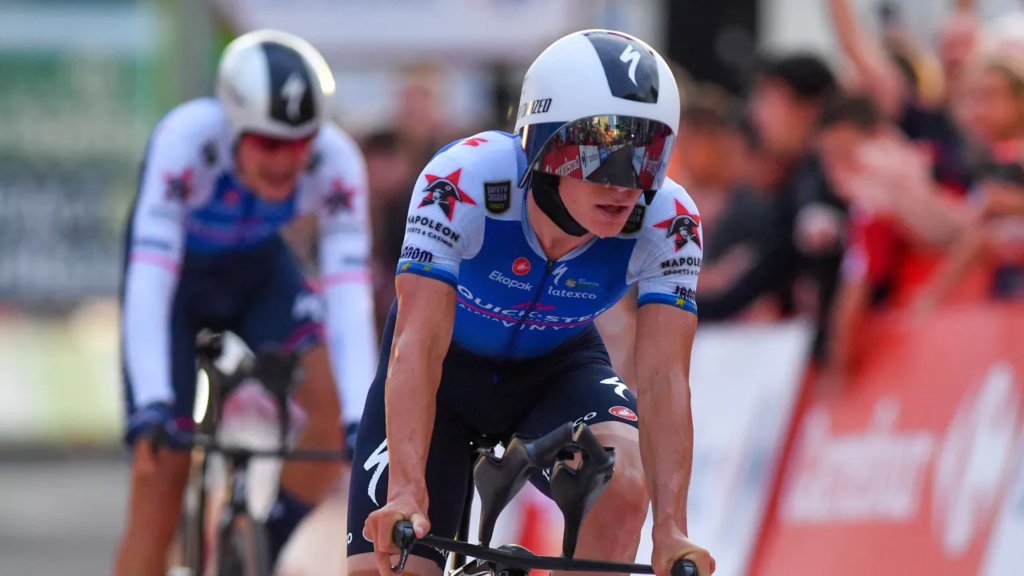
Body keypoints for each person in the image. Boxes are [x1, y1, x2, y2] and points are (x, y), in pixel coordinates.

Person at [347, 29, 714, 576]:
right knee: (395, 566)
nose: (626, 185)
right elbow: (418, 345)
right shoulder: (464, 181)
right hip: (442, 372)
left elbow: (663, 379)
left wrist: (670, 530)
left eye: (648, 157)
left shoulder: (669, 221)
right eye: (605, 155)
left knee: (624, 487)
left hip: (557, 370)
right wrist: (404, 490)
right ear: (545, 142)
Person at [115, 29, 377, 575]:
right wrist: (154, 403)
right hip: (177, 284)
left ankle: (267, 539)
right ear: (233, 126)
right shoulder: (186, 139)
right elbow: (148, 283)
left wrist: (362, 415)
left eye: (302, 142)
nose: (289, 160)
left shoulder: (336, 161)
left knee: (334, 414)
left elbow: (348, 294)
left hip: (259, 274)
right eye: (270, 143)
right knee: (159, 469)